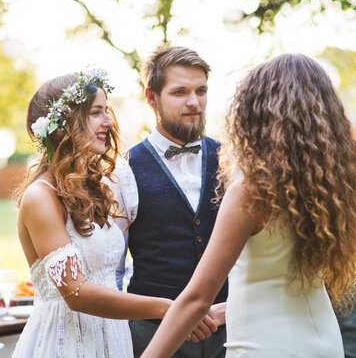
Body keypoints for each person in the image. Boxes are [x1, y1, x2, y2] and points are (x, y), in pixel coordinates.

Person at [140, 53, 356, 358]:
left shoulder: (253, 190)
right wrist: (229, 309)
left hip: (266, 346)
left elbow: (197, 298)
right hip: (325, 342)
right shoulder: (329, 184)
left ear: (258, 112)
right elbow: (284, 280)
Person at [12, 69, 216, 358]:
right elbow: (76, 293)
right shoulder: (40, 197)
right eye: (96, 112)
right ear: (63, 125)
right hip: (67, 343)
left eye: (106, 111)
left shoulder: (93, 188)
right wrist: (169, 308)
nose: (108, 121)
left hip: (112, 340)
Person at [110, 46, 227, 358]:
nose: (194, 102)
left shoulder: (232, 160)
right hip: (153, 336)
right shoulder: (123, 169)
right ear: (152, 98)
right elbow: (113, 270)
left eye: (201, 91)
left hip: (228, 335)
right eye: (180, 92)